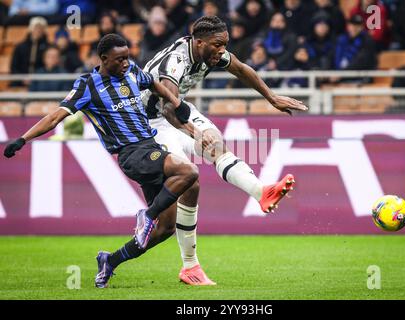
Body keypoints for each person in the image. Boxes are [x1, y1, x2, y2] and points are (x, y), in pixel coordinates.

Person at [3, 34, 201, 289]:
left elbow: (152, 82)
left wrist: (175, 101)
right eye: (119, 60)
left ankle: (110, 261)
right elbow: (55, 117)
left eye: (128, 58)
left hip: (151, 149)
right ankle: (147, 215)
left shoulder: (132, 73)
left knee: (165, 230)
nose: (125, 63)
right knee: (189, 171)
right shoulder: (87, 86)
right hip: (132, 154)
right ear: (104, 59)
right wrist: (22, 139)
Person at [140, 15, 307, 285]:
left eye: (225, 44)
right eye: (218, 45)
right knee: (187, 181)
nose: (222, 50)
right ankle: (189, 266)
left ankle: (261, 192)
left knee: (216, 144)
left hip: (176, 111)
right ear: (199, 41)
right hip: (150, 122)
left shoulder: (211, 53)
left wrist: (271, 97)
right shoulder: (175, 61)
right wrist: (194, 133)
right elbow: (168, 108)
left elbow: (241, 69)